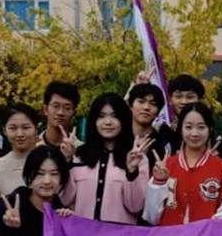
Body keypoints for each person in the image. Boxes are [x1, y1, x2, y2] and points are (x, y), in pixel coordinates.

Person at [59, 93, 152, 223]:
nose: (108, 122)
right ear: (93, 121)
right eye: (101, 116)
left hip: (120, 234)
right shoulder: (79, 155)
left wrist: (131, 172)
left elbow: (136, 206)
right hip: (82, 233)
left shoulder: (137, 158)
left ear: (124, 120)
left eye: (114, 116)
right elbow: (65, 199)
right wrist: (68, 162)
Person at [143, 102, 222, 225]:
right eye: (188, 127)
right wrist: (158, 182)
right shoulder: (167, 166)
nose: (194, 133)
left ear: (210, 129)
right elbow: (151, 217)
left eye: (201, 127)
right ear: (180, 129)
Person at [0, 104, 41, 199]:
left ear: (36, 129)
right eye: (13, 128)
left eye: (26, 128)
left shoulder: (48, 160)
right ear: (4, 130)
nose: (20, 134)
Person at [128, 82, 178, 157]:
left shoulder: (165, 143)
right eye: (141, 102)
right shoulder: (118, 137)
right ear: (130, 106)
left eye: (153, 104)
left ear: (158, 111)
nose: (146, 107)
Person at [37, 81, 81, 156]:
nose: (60, 112)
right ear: (45, 109)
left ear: (74, 113)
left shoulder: (81, 150)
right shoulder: (32, 147)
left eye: (67, 108)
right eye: (56, 106)